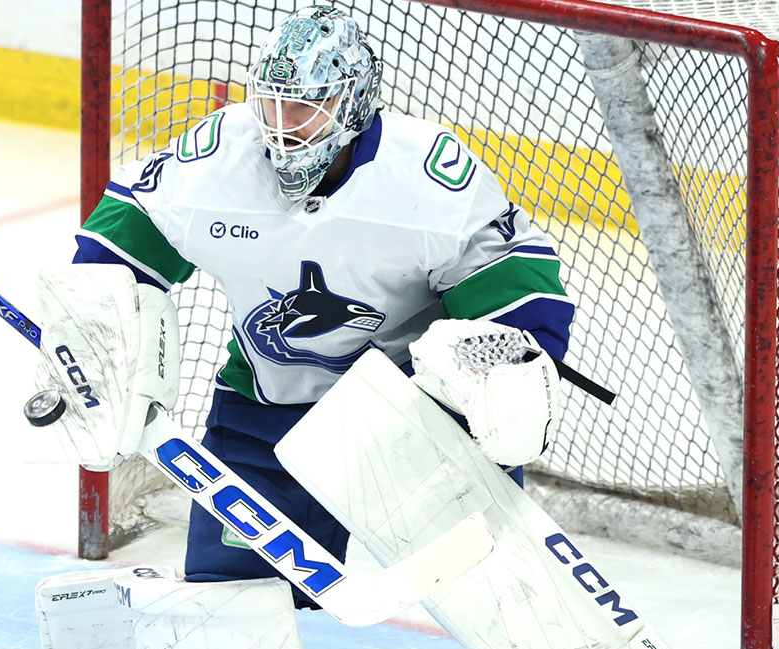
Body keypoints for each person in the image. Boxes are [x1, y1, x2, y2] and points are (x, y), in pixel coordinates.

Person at [70, 5, 574, 609]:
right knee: (233, 618)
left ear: (354, 105)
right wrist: (91, 329)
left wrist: (509, 372)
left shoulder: (426, 177)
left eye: (307, 107)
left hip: (418, 422)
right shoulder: (217, 158)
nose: (284, 126)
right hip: (268, 415)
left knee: (507, 607)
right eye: (273, 103)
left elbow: (517, 283)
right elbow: (120, 246)